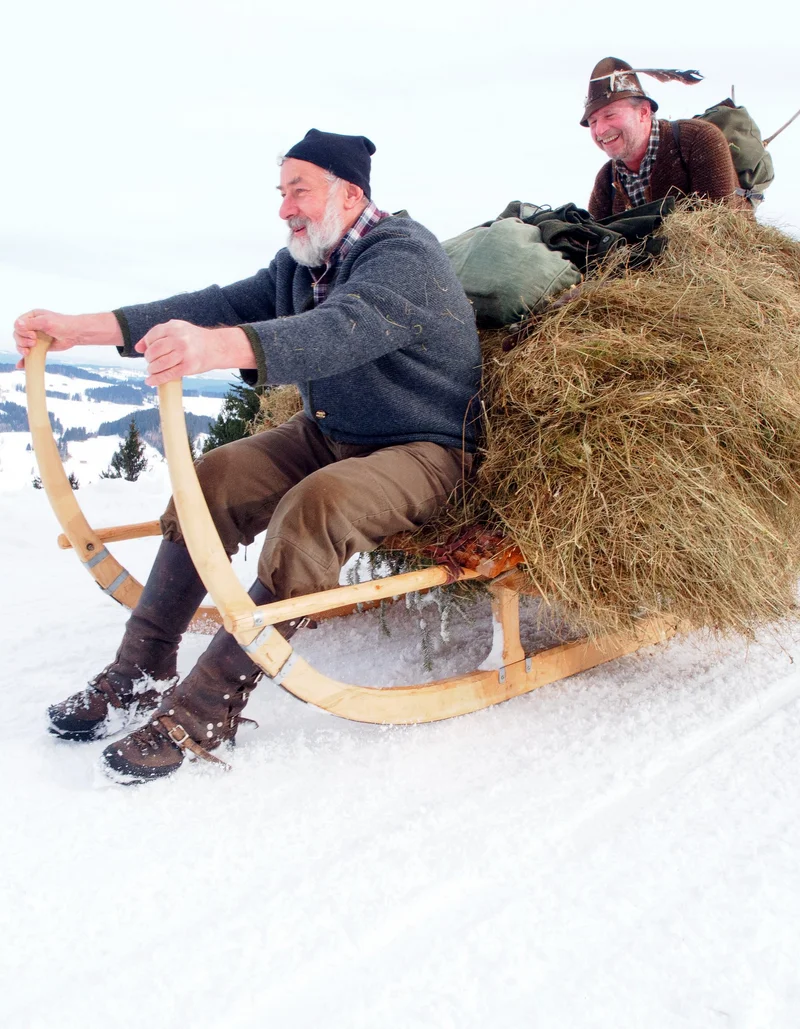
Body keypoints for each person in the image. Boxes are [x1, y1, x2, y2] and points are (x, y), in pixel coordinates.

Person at [14, 128, 482, 785]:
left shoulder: (404, 255)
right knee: (214, 476)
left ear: (349, 194)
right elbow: (216, 306)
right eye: (281, 191)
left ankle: (205, 709)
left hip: (428, 448)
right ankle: (142, 666)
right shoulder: (300, 265)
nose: (285, 207)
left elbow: (338, 329)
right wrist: (81, 327)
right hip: (333, 433)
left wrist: (216, 348)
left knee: (316, 507)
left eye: (300, 190)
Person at [582, 57, 743, 218]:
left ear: (643, 112)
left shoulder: (698, 141)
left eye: (610, 115)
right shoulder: (606, 180)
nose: (600, 130)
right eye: (593, 122)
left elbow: (720, 228)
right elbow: (590, 239)